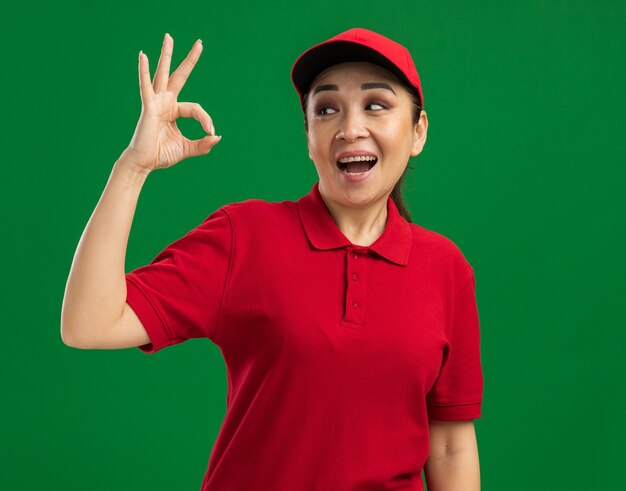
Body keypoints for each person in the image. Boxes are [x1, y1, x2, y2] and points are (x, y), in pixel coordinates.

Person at [61, 27, 483, 491]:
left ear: (418, 131)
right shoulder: (245, 236)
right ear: (308, 134)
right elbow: (89, 323)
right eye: (326, 110)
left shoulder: (446, 268)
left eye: (376, 105)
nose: (349, 128)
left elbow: (451, 444)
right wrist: (133, 167)